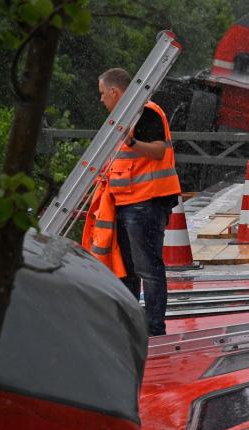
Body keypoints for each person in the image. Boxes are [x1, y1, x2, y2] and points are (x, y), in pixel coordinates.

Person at [85, 67, 180, 336]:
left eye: (103, 94)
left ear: (115, 92)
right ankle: (133, 323)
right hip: (127, 201)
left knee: (147, 267)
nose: (101, 100)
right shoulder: (122, 118)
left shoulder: (145, 112)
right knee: (128, 269)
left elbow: (158, 150)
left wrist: (133, 142)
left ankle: (152, 326)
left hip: (147, 201)